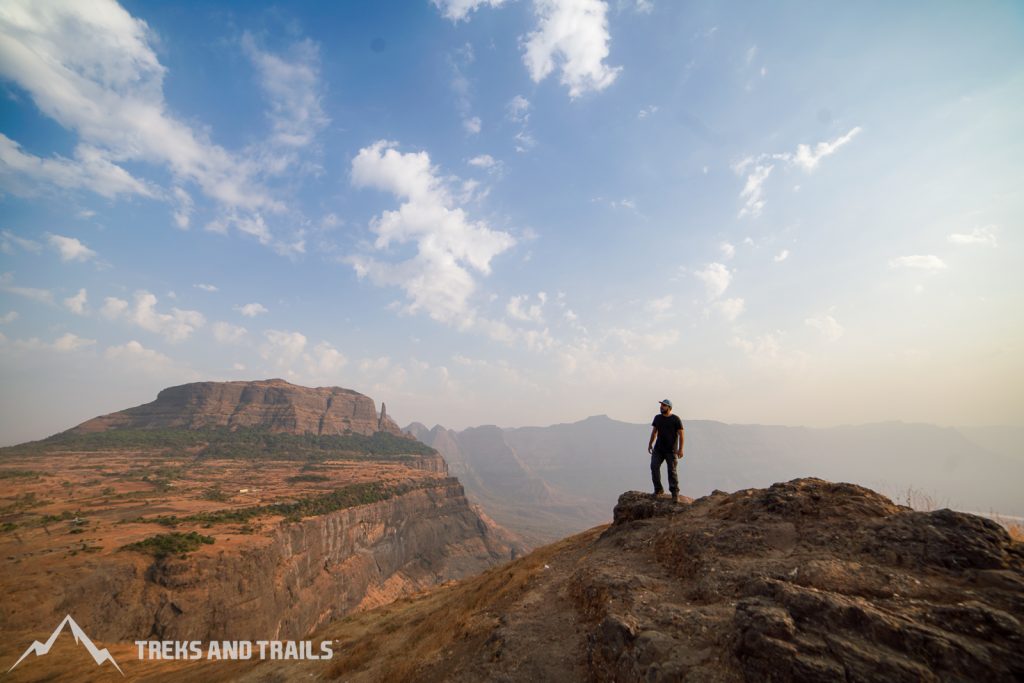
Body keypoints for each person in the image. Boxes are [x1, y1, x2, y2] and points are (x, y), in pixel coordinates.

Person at [647, 398, 684, 502]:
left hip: (671, 451)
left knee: (671, 471)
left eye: (664, 405)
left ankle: (675, 493)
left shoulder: (676, 419)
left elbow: (681, 435)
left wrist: (680, 449)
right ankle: (658, 489)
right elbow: (654, 432)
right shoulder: (657, 418)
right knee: (654, 466)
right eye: (661, 405)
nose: (661, 407)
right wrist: (650, 444)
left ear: (669, 408)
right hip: (658, 449)